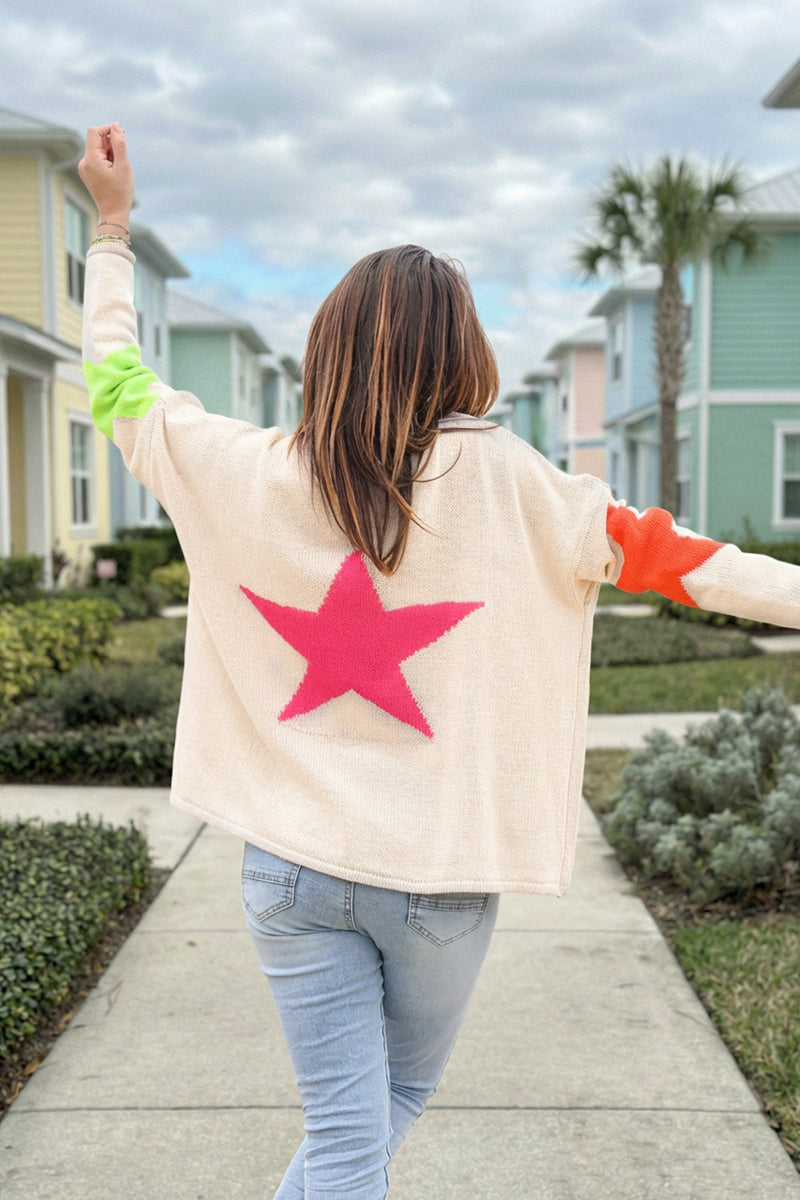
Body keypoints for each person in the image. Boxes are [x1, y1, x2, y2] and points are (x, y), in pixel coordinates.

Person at [78, 123, 800, 1199]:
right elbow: (700, 567)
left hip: (287, 869)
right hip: (436, 877)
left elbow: (118, 383)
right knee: (381, 1115)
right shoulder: (529, 487)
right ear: (465, 354)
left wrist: (110, 229)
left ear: (328, 348)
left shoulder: (247, 469)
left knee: (344, 1137)